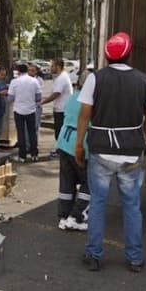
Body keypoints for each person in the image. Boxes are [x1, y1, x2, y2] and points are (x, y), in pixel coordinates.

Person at [75, 32, 146, 272]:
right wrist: (140, 136)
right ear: (129, 54)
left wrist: (79, 144)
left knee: (98, 204)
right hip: (131, 152)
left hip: (101, 152)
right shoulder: (144, 81)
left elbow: (84, 114)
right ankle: (135, 259)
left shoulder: (95, 79)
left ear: (106, 55)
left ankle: (94, 255)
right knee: (131, 206)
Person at [56, 92, 89, 231]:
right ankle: (77, 216)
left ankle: (64, 215)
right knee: (89, 182)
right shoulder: (91, 99)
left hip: (64, 140)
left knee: (67, 180)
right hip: (81, 142)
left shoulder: (74, 96)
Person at [7, 63, 42, 162]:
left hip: (18, 110)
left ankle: (22, 156)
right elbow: (38, 97)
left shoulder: (14, 82)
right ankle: (34, 154)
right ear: (27, 70)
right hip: (31, 110)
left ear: (18, 71)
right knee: (32, 133)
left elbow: (10, 98)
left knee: (21, 133)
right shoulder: (34, 81)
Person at [42, 58, 73, 144]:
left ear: (58, 66)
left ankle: (60, 151)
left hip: (62, 110)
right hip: (61, 108)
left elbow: (56, 93)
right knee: (59, 131)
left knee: (59, 132)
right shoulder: (62, 76)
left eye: (52, 66)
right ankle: (60, 149)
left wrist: (43, 102)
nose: (50, 68)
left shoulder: (62, 78)